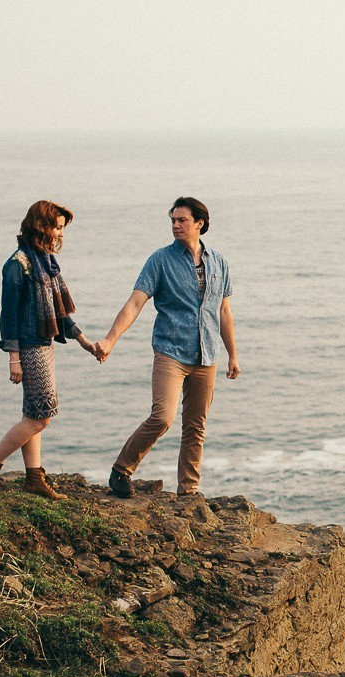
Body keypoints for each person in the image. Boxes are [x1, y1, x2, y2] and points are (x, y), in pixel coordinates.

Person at [94, 196, 240, 498]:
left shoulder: (219, 262)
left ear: (199, 223)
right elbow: (136, 302)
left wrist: (233, 356)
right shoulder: (160, 260)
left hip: (207, 354)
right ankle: (122, 470)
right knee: (163, 416)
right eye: (172, 220)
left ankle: (188, 490)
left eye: (181, 220)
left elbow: (223, 311)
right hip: (170, 351)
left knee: (196, 426)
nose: (175, 225)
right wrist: (110, 340)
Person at [0, 200, 98, 499]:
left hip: (44, 345)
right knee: (40, 417)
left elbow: (60, 314)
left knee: (33, 412)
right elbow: (9, 316)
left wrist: (85, 342)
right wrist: (13, 358)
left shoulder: (47, 262)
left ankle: (33, 478)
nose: (61, 235)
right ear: (42, 227)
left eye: (63, 229)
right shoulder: (18, 265)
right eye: (57, 228)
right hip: (29, 348)